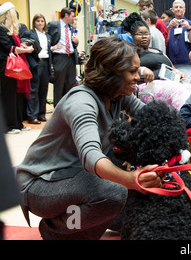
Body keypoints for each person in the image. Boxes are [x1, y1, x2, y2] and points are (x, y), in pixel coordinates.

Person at [16, 37, 162, 240]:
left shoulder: (117, 94)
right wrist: (130, 180)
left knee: (126, 154)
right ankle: (55, 230)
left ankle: (100, 216)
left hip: (75, 176)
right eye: (132, 71)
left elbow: (152, 119)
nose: (139, 77)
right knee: (113, 194)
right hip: (41, 184)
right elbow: (91, 156)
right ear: (111, 73)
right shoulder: (81, 101)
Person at [0, 2, 34, 134]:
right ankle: (9, 125)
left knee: (15, 95)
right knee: (8, 95)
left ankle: (16, 123)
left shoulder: (7, 30)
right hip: (5, 66)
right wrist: (26, 50)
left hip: (8, 66)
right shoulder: (2, 29)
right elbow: (9, 48)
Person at [21, 14, 53, 124]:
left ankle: (41, 114)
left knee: (43, 90)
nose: (40, 23)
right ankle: (32, 116)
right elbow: (25, 48)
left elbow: (48, 51)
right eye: (38, 21)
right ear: (34, 22)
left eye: (42, 21)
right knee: (34, 90)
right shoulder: (29, 34)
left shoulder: (48, 36)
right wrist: (33, 64)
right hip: (36, 64)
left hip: (46, 64)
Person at [47, 7, 79, 108]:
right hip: (60, 57)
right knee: (59, 84)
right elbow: (45, 40)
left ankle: (69, 107)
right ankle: (57, 108)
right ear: (66, 15)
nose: (74, 18)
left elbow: (71, 43)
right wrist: (52, 48)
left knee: (71, 83)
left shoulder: (71, 27)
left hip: (71, 57)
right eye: (73, 16)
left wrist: (76, 43)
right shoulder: (53, 25)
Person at [166, 0, 191, 80]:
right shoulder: (167, 25)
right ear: (172, 9)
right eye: (176, 7)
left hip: (186, 63)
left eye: (180, 7)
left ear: (184, 9)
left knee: (185, 85)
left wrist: (188, 28)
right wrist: (169, 27)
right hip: (170, 63)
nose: (178, 9)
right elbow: (165, 42)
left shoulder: (190, 23)